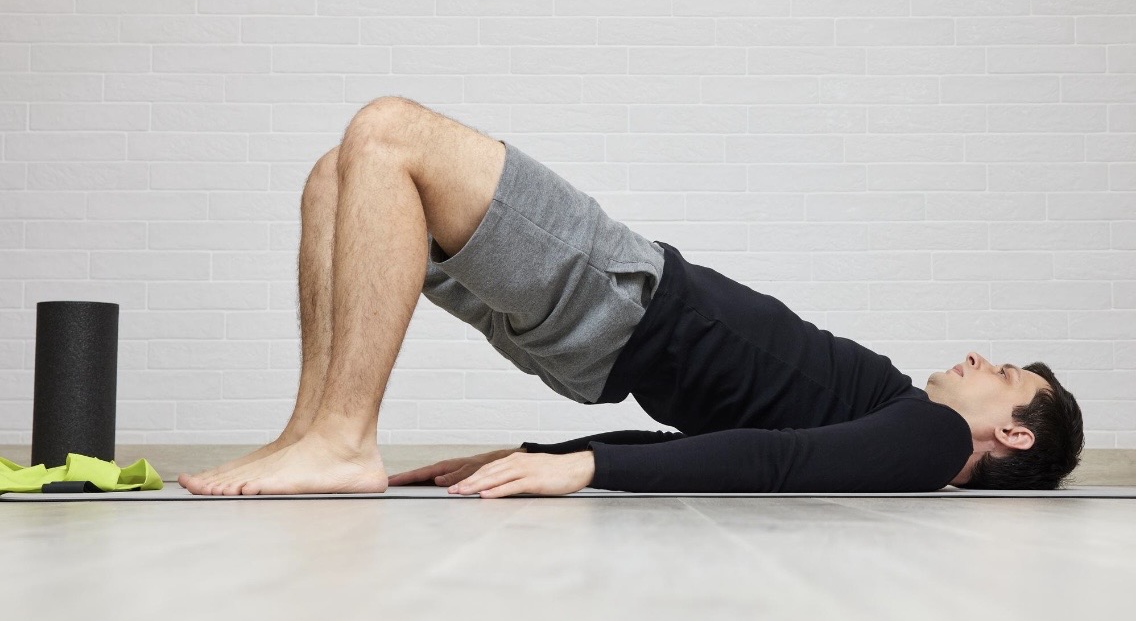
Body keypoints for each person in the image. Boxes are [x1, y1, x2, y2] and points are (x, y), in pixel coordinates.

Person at [178, 97, 1084, 497]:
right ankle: (311, 434)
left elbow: (773, 470)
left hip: (627, 299)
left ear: (1013, 432)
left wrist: (588, 470)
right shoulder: (894, 420)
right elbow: (742, 442)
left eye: (1001, 374)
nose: (977, 358)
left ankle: (340, 439)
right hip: (611, 337)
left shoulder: (928, 439)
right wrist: (542, 449)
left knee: (385, 133)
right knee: (339, 176)